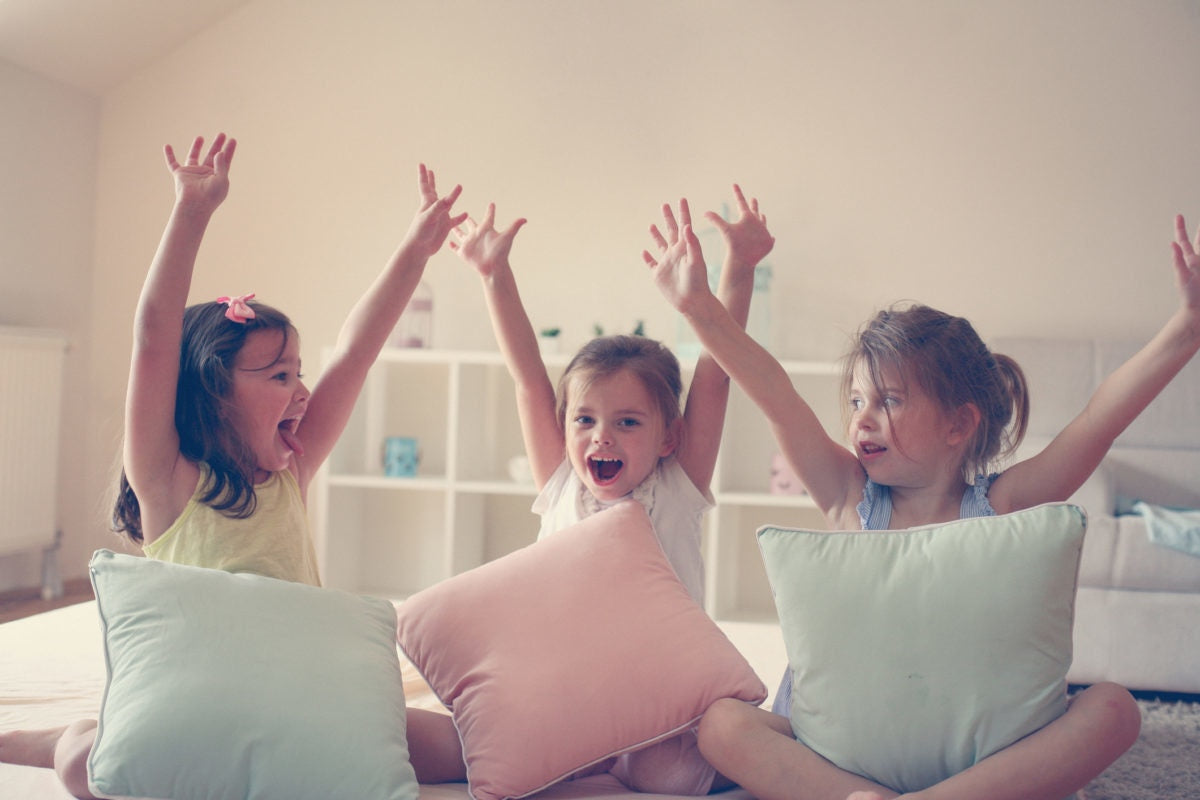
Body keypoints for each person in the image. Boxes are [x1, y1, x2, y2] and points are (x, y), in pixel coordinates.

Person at [645, 213, 1200, 800]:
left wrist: (1186, 329)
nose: (861, 417)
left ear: (959, 422)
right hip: (846, 755)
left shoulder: (1005, 505)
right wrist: (699, 309)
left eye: (888, 401)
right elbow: (774, 392)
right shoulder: (848, 494)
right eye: (857, 398)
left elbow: (1098, 421)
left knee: (1115, 709)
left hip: (977, 754)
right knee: (723, 725)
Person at [0, 133, 466, 799]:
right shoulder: (168, 481)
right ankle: (65, 733)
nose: (303, 391)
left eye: (299, 371)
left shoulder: (290, 472)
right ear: (213, 391)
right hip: (198, 704)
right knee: (86, 770)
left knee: (459, 747)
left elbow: (357, 351)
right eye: (280, 375)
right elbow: (155, 336)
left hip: (303, 694)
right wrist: (191, 214)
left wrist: (414, 254)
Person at [403, 186, 774, 793]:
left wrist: (740, 271)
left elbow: (715, 378)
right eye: (585, 420)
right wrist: (495, 275)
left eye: (628, 422)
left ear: (667, 436)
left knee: (672, 775)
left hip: (653, 710)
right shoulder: (562, 484)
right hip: (556, 699)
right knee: (419, 736)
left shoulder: (675, 487)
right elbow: (528, 380)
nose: (601, 438)